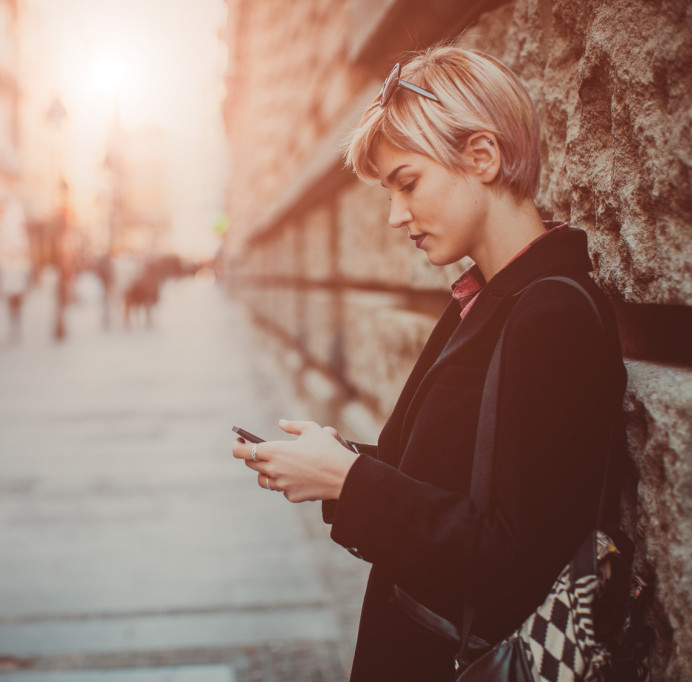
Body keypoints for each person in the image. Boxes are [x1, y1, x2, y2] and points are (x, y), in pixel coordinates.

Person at [232, 46, 627, 681]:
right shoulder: (485, 295)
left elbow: (512, 555)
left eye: (407, 183)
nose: (394, 216)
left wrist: (349, 483)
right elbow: (452, 481)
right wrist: (337, 460)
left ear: (483, 157)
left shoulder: (552, 314)